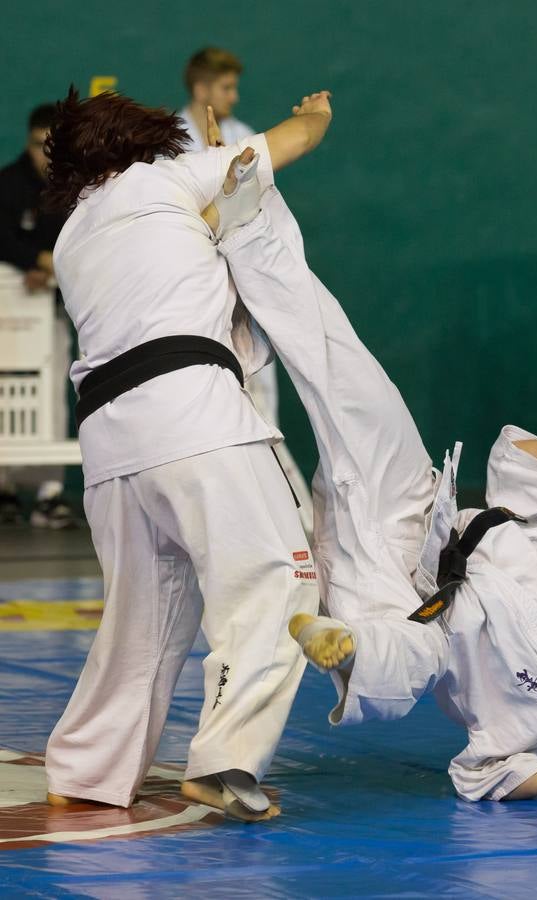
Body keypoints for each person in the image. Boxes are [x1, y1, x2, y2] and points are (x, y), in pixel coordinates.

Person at [206, 154, 537, 806]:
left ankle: (342, 646)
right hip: (410, 506)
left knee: (419, 654)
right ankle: (247, 220)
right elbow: (518, 465)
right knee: (345, 370)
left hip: (385, 594)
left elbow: (481, 773)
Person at [41, 86, 332, 821]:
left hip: (110, 443)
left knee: (142, 620)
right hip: (191, 417)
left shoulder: (77, 230)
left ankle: (86, 769)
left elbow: (201, 229)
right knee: (281, 577)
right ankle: (223, 761)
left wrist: (216, 173)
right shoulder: (162, 178)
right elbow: (288, 142)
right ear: (137, 140)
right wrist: (314, 115)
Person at [178, 46, 313, 534]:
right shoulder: (169, 140)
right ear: (201, 88)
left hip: (245, 283)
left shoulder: (241, 137)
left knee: (261, 403)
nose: (234, 96)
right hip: (197, 289)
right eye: (226, 87)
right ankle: (253, 519)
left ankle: (288, 521)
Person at [0, 103, 75, 528]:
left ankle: (49, 495)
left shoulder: (73, 189)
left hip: (52, 314)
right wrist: (33, 261)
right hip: (8, 315)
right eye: (36, 146)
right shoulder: (7, 185)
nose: (42, 156)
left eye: (50, 148)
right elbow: (2, 239)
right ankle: (5, 489)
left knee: (51, 398)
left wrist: (51, 266)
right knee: (6, 395)